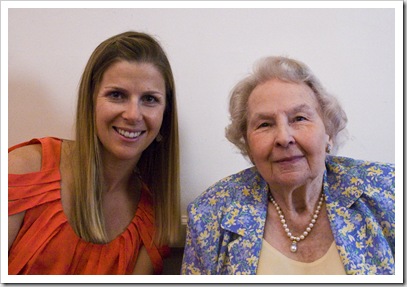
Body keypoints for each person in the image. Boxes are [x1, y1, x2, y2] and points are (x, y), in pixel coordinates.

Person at [181, 56, 395, 275]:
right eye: (265, 124)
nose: (284, 137)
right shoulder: (211, 214)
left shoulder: (390, 192)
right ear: (247, 144)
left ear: (328, 132)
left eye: (299, 118)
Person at [8, 31, 180, 275]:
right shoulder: (25, 169)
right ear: (90, 101)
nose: (133, 114)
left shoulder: (151, 222)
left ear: (165, 115)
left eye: (150, 99)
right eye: (117, 95)